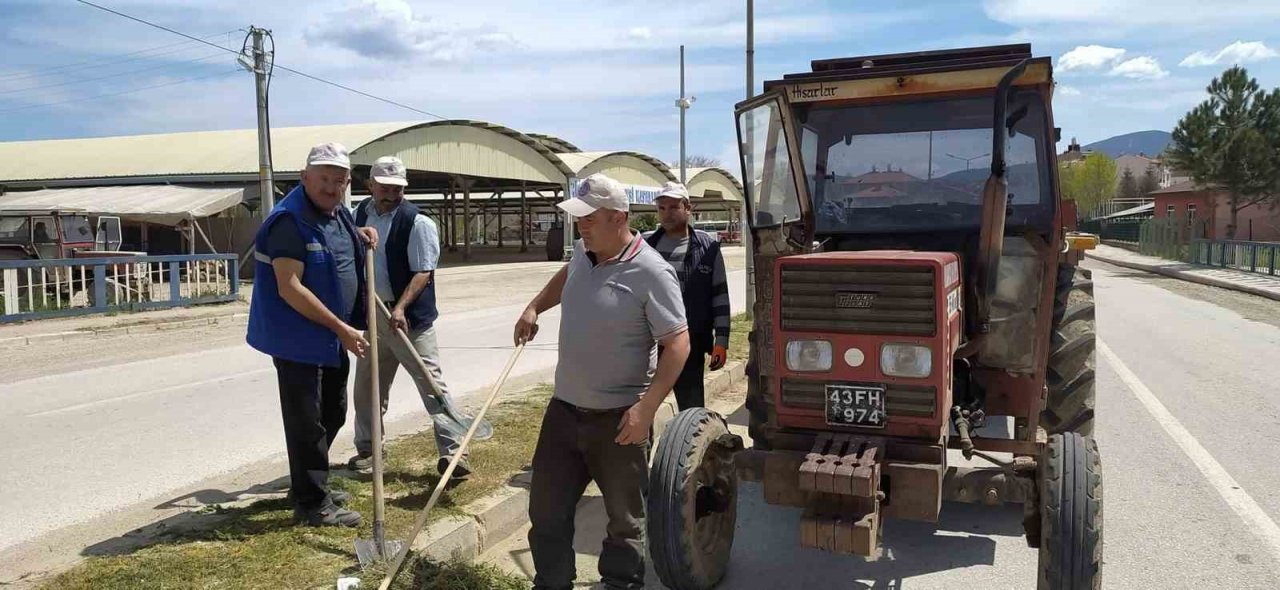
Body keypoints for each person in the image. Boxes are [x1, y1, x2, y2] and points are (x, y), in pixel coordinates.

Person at [513, 173, 691, 590]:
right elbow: (566, 275)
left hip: (618, 421)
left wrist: (646, 408)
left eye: (589, 218)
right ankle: (552, 583)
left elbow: (678, 344)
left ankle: (620, 583)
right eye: (579, 218)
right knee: (546, 512)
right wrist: (534, 306)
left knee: (625, 522)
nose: (581, 226)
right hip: (564, 412)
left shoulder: (651, 271)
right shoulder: (583, 251)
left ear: (618, 218)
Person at [246, 142, 376, 528]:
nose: (332, 188)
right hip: (298, 339)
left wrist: (363, 232)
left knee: (332, 412)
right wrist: (342, 328)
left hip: (332, 336)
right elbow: (290, 287)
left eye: (339, 181)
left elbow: (343, 244)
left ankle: (309, 483)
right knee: (307, 421)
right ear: (305, 178)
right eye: (324, 180)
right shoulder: (289, 221)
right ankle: (312, 503)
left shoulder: (337, 215)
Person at [347, 156, 476, 484]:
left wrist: (401, 308)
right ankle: (369, 450)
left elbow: (423, 273)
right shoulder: (359, 213)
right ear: (371, 185)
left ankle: (453, 452)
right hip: (375, 315)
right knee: (367, 388)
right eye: (385, 187)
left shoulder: (418, 223)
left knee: (431, 385)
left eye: (398, 188)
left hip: (408, 320)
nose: (392, 193)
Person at [645, 181, 730, 410]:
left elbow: (720, 297)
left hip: (689, 345)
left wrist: (721, 342)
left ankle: (690, 444)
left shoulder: (708, 249)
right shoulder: (645, 247)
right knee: (643, 408)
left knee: (691, 409)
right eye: (662, 208)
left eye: (673, 207)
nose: (666, 214)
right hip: (649, 346)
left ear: (688, 208)